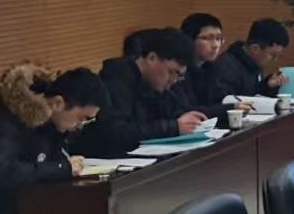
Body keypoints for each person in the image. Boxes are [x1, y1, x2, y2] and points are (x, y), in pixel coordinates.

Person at [0, 65, 106, 214]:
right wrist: (61, 168)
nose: (80, 126)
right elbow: (0, 172)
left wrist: (65, 166)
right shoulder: (7, 117)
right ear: (58, 103)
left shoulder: (51, 121)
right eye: (81, 118)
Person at [75, 28, 204, 156]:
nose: (174, 80)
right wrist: (173, 127)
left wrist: (184, 120)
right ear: (152, 58)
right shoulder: (115, 80)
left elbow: (169, 113)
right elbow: (117, 131)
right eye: (171, 72)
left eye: (179, 75)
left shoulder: (157, 83)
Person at [208, 17, 290, 103]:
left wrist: (268, 85)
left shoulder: (253, 63)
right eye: (273, 55)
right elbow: (223, 102)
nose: (275, 60)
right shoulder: (227, 67)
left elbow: (254, 93)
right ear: (255, 48)